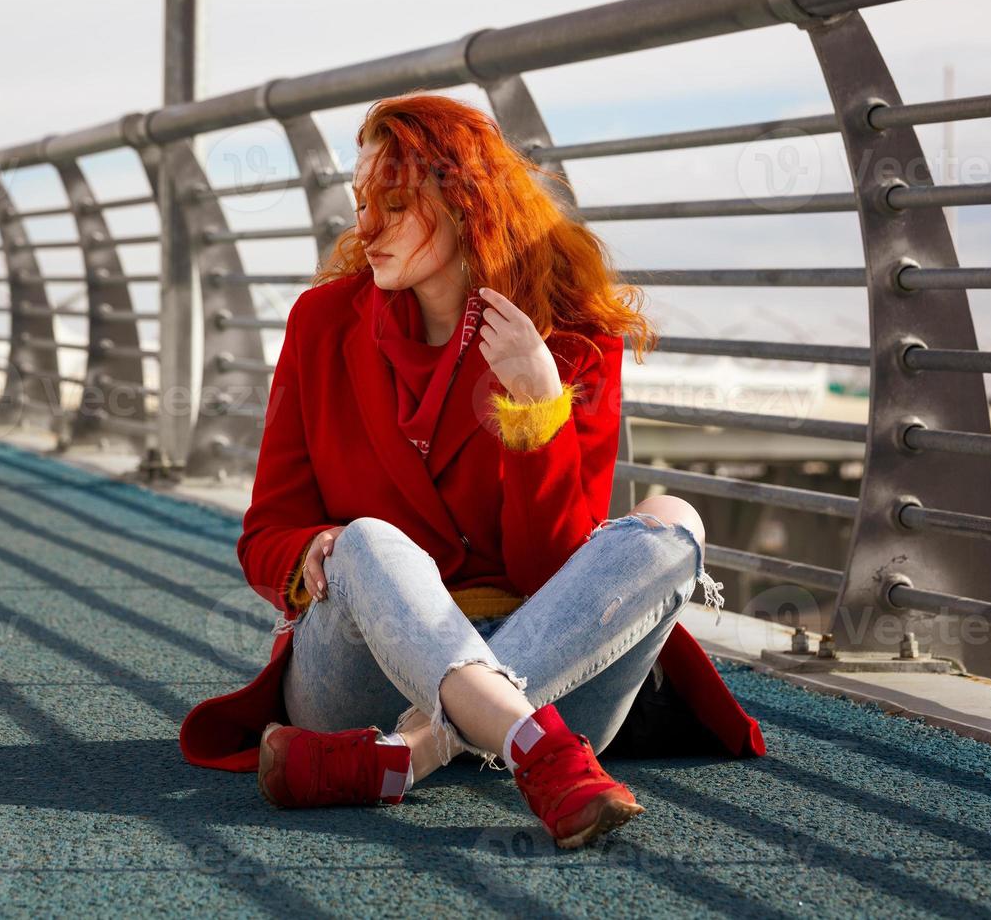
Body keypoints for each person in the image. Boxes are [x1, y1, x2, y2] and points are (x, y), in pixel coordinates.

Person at [178, 93, 765, 850]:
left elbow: (552, 569)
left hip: (549, 668)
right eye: (363, 203)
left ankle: (410, 754)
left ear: (467, 205)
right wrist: (310, 552)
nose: (365, 228)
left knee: (672, 519)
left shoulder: (574, 335)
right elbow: (265, 533)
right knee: (367, 540)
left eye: (393, 204)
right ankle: (528, 751)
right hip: (362, 677)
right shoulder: (321, 324)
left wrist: (538, 411)